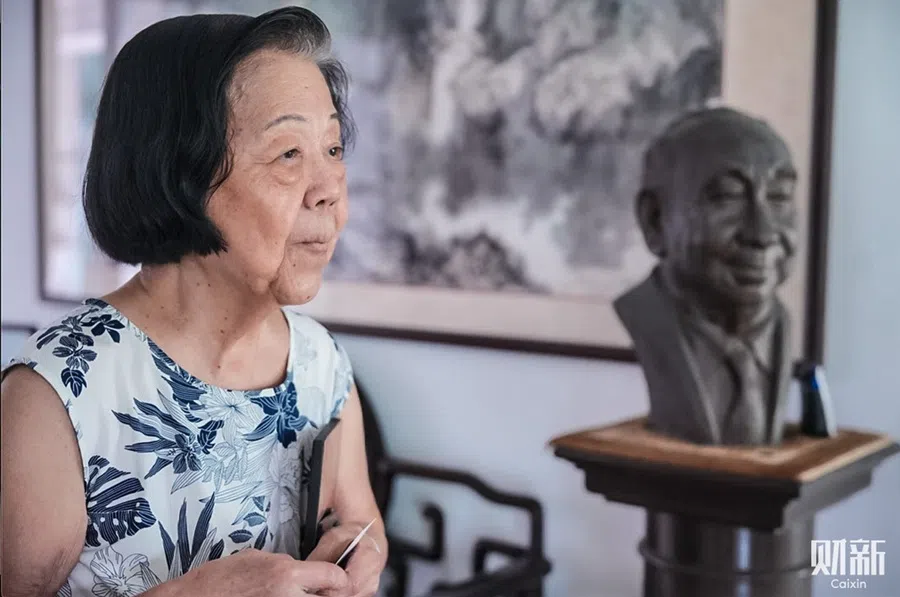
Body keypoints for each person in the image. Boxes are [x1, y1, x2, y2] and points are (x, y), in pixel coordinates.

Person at [1, 7, 386, 597]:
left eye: (333, 149)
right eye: (288, 154)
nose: (330, 189)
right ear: (179, 172)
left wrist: (365, 547)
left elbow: (357, 523)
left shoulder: (321, 364)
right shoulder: (58, 394)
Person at [614, 107, 797, 446]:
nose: (763, 233)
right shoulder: (645, 316)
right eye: (727, 196)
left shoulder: (780, 329)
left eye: (779, 197)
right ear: (656, 221)